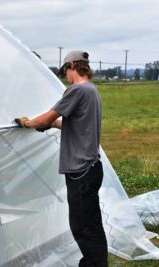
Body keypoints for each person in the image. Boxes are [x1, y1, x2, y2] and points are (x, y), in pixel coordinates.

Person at [15, 50, 108, 267]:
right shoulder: (91, 90)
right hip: (90, 168)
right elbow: (69, 124)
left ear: (72, 65)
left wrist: (28, 123)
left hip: (81, 172)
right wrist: (48, 124)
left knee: (83, 226)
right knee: (90, 223)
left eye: (66, 70)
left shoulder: (76, 90)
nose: (65, 75)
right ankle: (95, 262)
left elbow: (49, 116)